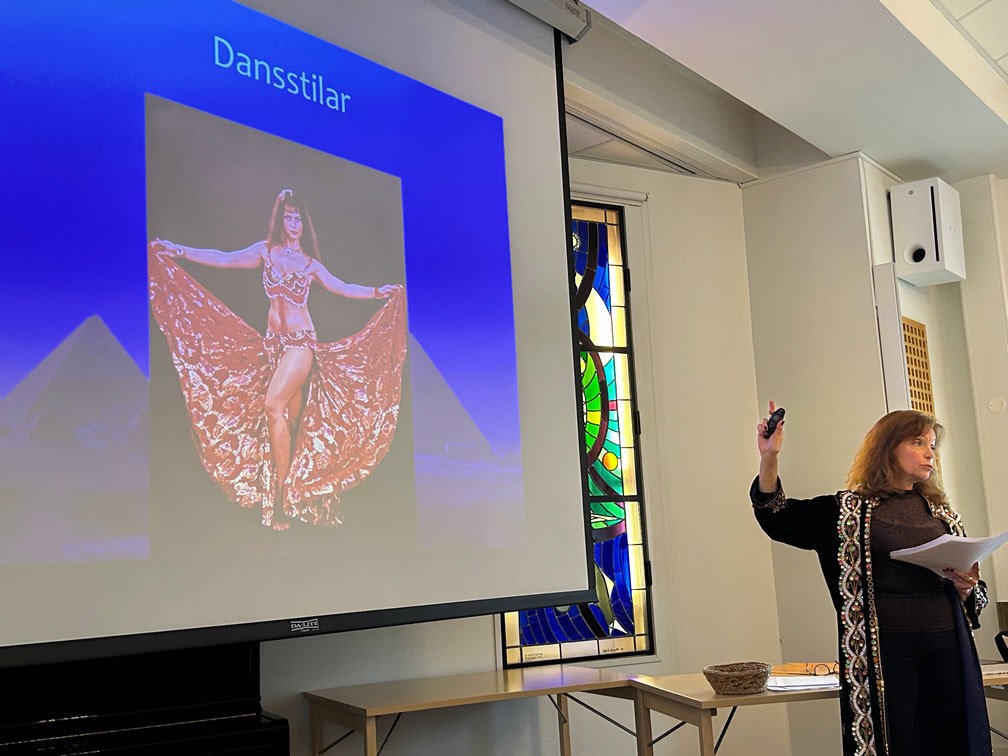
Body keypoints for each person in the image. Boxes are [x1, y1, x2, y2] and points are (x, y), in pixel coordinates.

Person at [149, 188, 407, 531]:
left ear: (305, 223)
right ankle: (303, 494)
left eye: (298, 217)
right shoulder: (265, 252)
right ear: (280, 220)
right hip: (273, 347)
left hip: (301, 346)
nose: (294, 223)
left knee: (273, 407)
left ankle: (282, 499)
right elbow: (224, 259)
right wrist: (177, 250)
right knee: (294, 420)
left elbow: (343, 287)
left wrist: (377, 292)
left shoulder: (310, 265)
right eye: (288, 216)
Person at [751, 402, 991, 756]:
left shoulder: (943, 515)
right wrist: (769, 457)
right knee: (894, 742)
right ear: (888, 448)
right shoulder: (846, 511)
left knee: (950, 742)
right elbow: (778, 516)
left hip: (947, 646)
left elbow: (974, 597)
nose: (929, 453)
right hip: (886, 652)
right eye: (918, 443)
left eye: (931, 445)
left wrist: (966, 587)